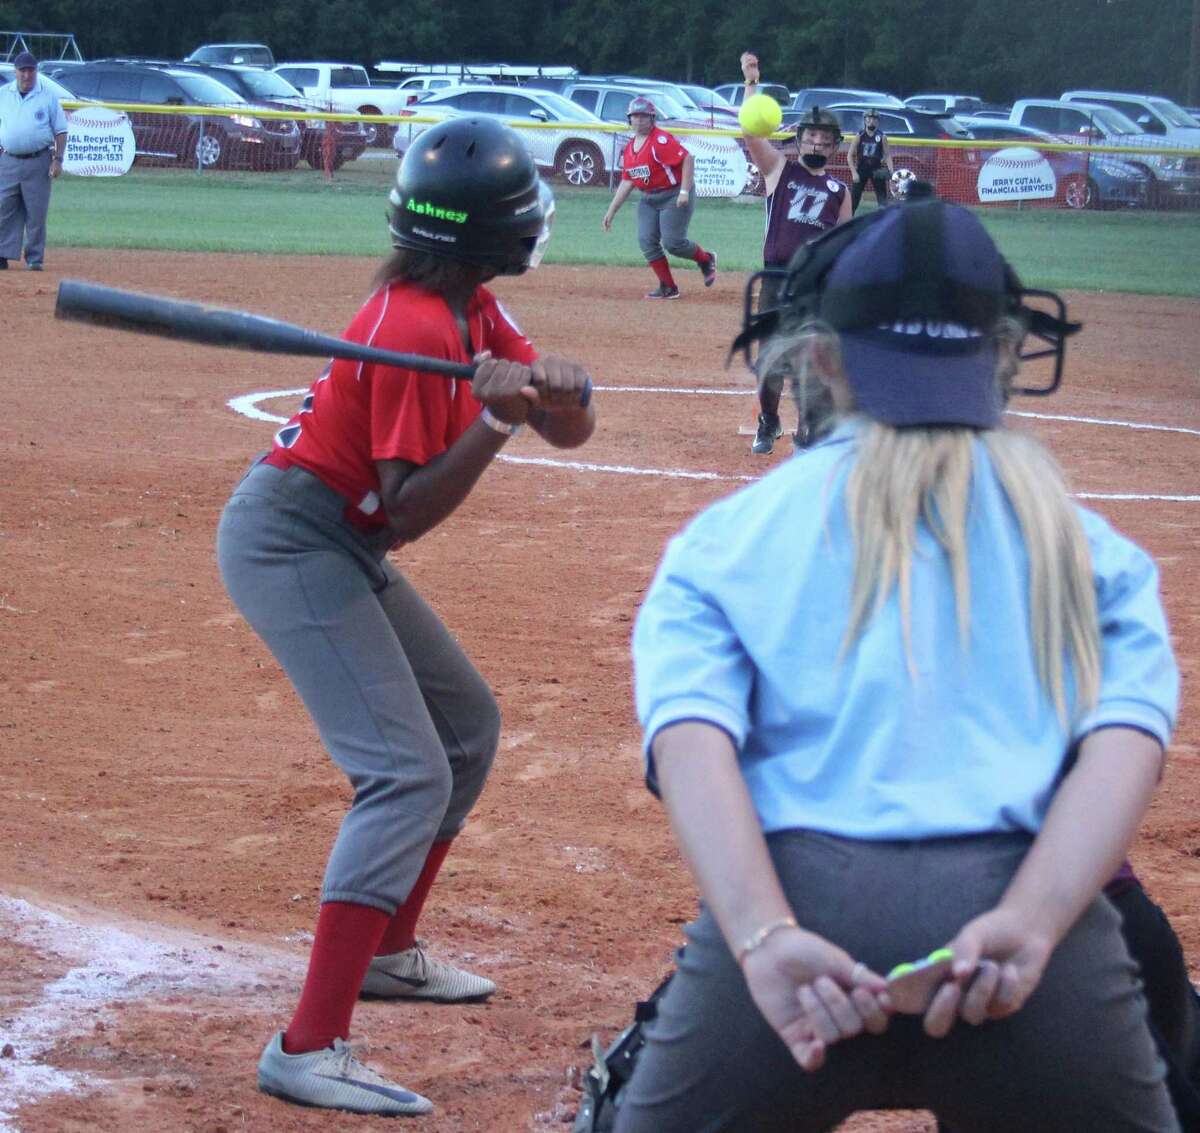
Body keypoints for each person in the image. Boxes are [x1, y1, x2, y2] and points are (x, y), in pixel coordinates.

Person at [615, 199, 1182, 1131]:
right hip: (1021, 952)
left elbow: (690, 743)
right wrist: (1035, 924)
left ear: (822, 359)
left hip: (795, 933)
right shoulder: (1094, 552)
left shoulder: (725, 542)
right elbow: (1126, 746)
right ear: (1004, 356)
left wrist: (761, 937)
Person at [216, 117, 596, 1118]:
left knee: (464, 729)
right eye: (525, 212)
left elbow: (569, 426)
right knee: (404, 769)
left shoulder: (467, 304)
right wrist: (501, 420)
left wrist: (564, 393)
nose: (537, 223)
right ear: (488, 232)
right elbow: (407, 507)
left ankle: (389, 951)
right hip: (296, 539)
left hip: (341, 536)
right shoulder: (419, 326)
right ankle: (307, 1043)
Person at [739, 52, 850, 455]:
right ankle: (768, 420)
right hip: (775, 280)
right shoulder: (779, 170)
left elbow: (842, 245)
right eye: (811, 137)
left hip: (815, 288)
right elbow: (751, 133)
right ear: (799, 139)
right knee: (770, 363)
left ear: (835, 146)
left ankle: (808, 429)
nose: (817, 142)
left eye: (825, 139)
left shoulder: (840, 192)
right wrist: (752, 82)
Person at [601, 96, 718, 299]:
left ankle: (706, 259)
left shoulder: (660, 141)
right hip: (648, 199)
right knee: (646, 241)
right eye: (634, 116)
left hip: (674, 194)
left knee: (673, 243)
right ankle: (668, 287)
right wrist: (611, 211)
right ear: (629, 120)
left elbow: (687, 160)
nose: (638, 120)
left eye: (644, 116)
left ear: (652, 119)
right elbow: (628, 180)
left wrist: (684, 192)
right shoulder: (629, 149)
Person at [0, 52, 68, 271]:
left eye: (31, 70)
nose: (27, 75)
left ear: (36, 72)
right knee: (4, 209)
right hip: (8, 159)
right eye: (23, 70)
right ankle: (2, 254)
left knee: (36, 212)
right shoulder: (3, 94)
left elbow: (61, 131)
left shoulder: (47, 97)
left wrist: (57, 160)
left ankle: (34, 258)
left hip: (38, 160)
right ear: (15, 72)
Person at [846, 109, 894, 214]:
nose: (871, 121)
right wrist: (854, 173)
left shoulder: (882, 136)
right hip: (862, 169)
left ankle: (883, 222)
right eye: (869, 118)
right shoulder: (860, 135)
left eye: (874, 119)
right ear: (865, 120)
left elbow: (887, 155)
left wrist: (891, 172)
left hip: (877, 169)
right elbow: (849, 155)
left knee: (882, 200)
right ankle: (847, 221)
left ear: (878, 121)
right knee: (854, 199)